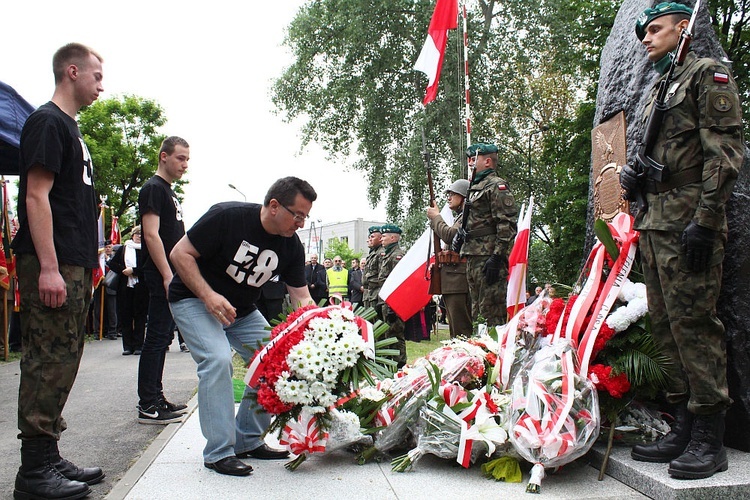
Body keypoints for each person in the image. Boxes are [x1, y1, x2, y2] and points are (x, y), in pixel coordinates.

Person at [620, 2, 744, 480]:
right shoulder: (658, 86)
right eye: (644, 33)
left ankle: (710, 438)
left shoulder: (706, 75)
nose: (647, 39)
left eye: (656, 30)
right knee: (666, 327)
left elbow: (725, 153)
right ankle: (684, 423)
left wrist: (707, 221)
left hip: (689, 220)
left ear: (682, 29)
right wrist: (635, 178)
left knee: (694, 322)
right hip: (655, 222)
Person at [168, 176, 317, 476]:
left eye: (305, 216)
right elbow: (179, 253)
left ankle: (247, 440)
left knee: (276, 362)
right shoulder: (227, 217)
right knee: (218, 359)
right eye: (297, 215)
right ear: (274, 206)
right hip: (195, 299)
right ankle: (219, 451)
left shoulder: (292, 246)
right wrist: (208, 295)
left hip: (242, 311)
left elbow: (301, 296)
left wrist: (322, 328)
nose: (300, 223)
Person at [11, 42, 105, 500]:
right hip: (53, 262)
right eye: (97, 77)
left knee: (63, 360)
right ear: (72, 72)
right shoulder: (48, 122)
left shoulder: (71, 130)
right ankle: (33, 473)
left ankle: (48, 456)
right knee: (47, 362)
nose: (101, 86)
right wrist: (49, 267)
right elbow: (36, 195)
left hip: (73, 261)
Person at [136, 136, 190, 424]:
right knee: (156, 338)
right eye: (180, 158)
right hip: (161, 274)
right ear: (164, 156)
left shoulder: (169, 192)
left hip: (172, 274)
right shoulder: (153, 189)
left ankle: (157, 397)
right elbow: (151, 234)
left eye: (187, 160)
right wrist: (168, 275)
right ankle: (148, 402)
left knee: (163, 337)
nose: (185, 165)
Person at [459, 143, 517, 327]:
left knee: (491, 312)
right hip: (474, 254)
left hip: (488, 257)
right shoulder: (475, 187)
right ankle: (480, 351)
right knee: (477, 311)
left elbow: (506, 224)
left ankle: (492, 352)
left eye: (474, 159)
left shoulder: (496, 185)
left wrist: (497, 256)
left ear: (488, 161)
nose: (470, 163)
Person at [426, 179, 473, 338]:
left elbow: (450, 235)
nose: (449, 197)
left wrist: (436, 217)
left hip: (458, 281)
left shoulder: (467, 216)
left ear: (464, 197)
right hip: (453, 279)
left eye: (453, 194)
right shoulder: (460, 217)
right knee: (456, 330)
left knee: (461, 331)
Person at [109, 226, 148, 355]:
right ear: (132, 235)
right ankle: (127, 346)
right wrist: (123, 270)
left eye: (141, 235)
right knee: (125, 316)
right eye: (137, 234)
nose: (139, 237)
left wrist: (134, 271)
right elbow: (112, 264)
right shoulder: (124, 248)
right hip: (124, 287)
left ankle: (138, 345)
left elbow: (148, 268)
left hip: (141, 287)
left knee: (140, 316)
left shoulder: (146, 250)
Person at [377, 224, 407, 367]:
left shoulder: (397, 256)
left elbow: (398, 283)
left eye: (384, 236)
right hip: (386, 301)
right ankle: (390, 364)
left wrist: (392, 307)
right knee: (388, 334)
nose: (381, 239)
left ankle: (399, 364)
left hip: (394, 303)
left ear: (393, 237)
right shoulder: (387, 254)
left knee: (396, 335)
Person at [362, 226, 384, 317]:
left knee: (377, 322)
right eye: (369, 237)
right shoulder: (373, 253)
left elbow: (382, 275)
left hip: (376, 294)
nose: (369, 240)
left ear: (380, 239)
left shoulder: (381, 253)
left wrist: (368, 280)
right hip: (369, 294)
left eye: (372, 237)